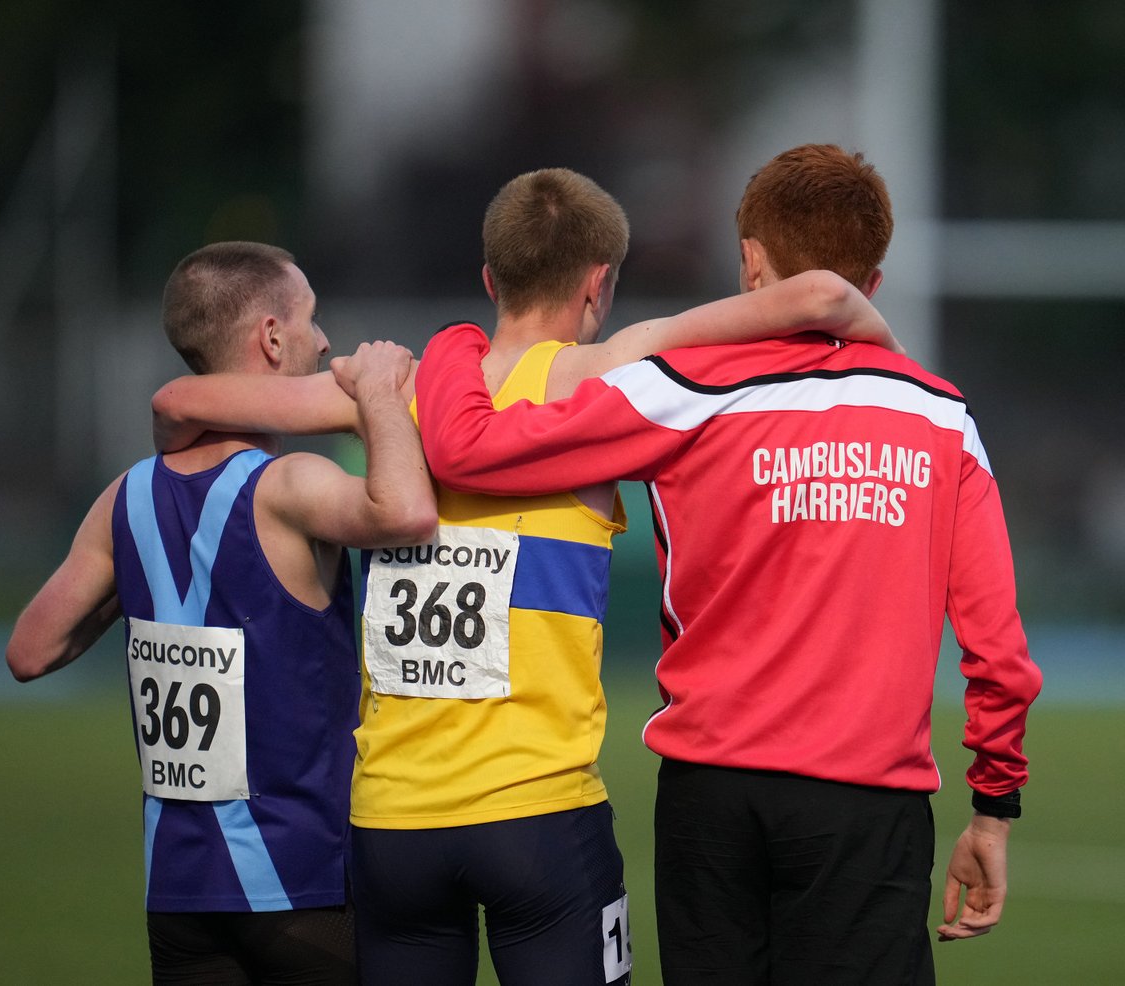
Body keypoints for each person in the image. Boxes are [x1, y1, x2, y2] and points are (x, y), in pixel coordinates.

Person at [149, 169, 900, 986]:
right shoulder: (605, 374)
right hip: (540, 814)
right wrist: (893, 365)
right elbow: (824, 296)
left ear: (489, 279)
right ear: (598, 283)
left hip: (393, 819)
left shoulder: (398, 396)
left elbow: (181, 400)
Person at [412, 146, 1043, 985]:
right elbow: (998, 653)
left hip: (709, 797)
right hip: (868, 804)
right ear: (874, 282)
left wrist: (455, 343)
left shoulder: (680, 389)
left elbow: (470, 450)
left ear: (750, 263)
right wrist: (994, 808)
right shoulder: (941, 417)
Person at [5, 241, 437, 985]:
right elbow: (404, 511)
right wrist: (376, 395)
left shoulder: (126, 498)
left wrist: (144, 586)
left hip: (179, 890)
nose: (322, 341)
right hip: (300, 877)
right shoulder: (290, 485)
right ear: (270, 337)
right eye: (309, 319)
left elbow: (30, 650)